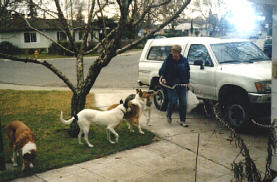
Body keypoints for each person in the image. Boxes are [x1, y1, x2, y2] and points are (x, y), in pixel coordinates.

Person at [159, 45, 190, 127]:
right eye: (173, 53)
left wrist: (187, 82)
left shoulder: (184, 61)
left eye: (176, 53)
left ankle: (182, 120)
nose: (174, 55)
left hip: (182, 84)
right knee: (173, 101)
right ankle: (169, 114)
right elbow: (162, 71)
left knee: (183, 103)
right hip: (171, 85)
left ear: (180, 53)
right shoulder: (168, 60)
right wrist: (163, 78)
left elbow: (187, 72)